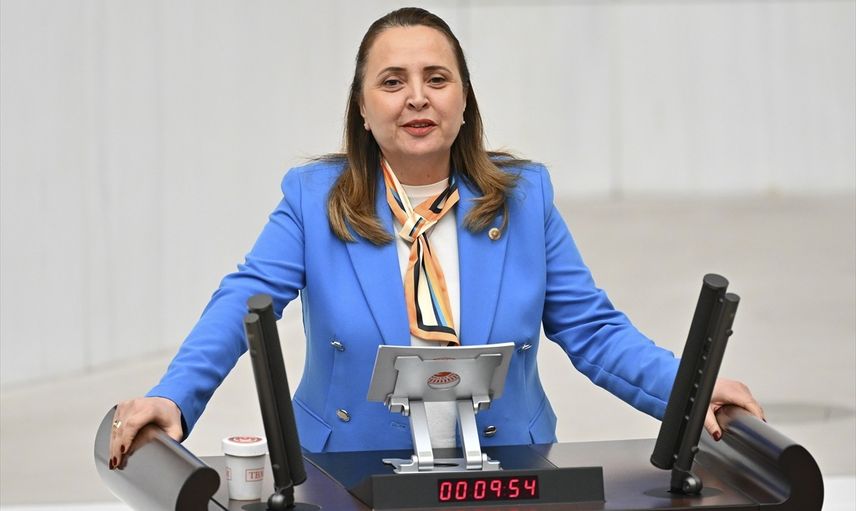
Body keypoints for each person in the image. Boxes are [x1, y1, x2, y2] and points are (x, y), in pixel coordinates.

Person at [108, 7, 763, 470]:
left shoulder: (525, 197)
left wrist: (688, 387)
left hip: (508, 468)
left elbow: (592, 329)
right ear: (362, 107)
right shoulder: (314, 199)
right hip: (350, 472)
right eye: (392, 82)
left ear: (464, 99)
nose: (417, 97)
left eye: (437, 79)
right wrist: (174, 395)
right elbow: (241, 300)